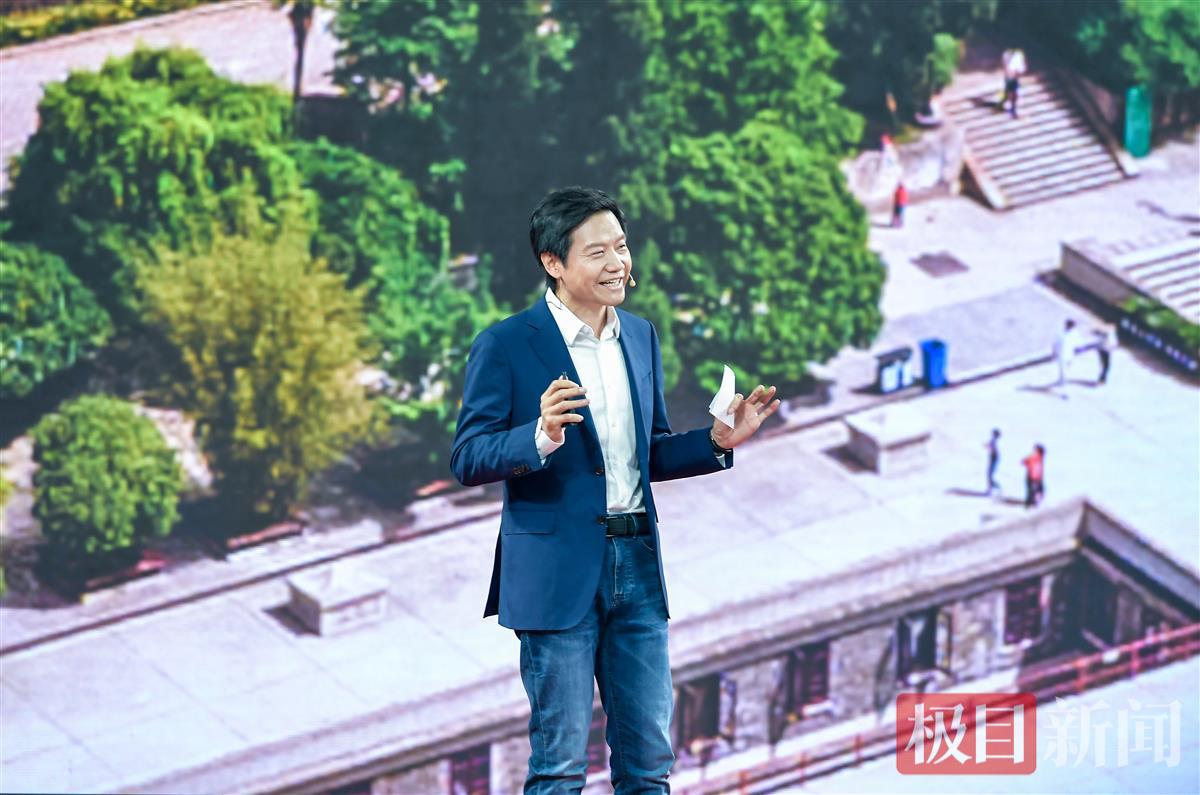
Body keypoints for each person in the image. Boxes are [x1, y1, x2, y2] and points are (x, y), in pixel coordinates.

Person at [450, 187, 780, 792]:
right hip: (556, 573)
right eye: (597, 252)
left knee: (649, 765)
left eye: (621, 247)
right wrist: (540, 436)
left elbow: (649, 452)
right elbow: (468, 457)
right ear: (553, 262)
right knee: (559, 770)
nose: (617, 264)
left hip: (638, 565)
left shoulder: (640, 335)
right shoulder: (507, 344)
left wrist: (716, 441)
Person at [1053, 319, 1080, 388]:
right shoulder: (1061, 333)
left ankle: (1062, 381)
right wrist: (1054, 352)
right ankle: (1063, 385)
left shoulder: (1074, 333)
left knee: (1066, 370)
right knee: (1063, 371)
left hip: (1069, 355)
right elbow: (1055, 344)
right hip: (1063, 354)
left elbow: (1078, 343)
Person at [1001, 48, 1026, 118]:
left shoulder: (1018, 55)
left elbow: (1021, 68)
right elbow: (1006, 67)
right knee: (1012, 93)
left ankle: (1011, 108)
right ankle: (1011, 108)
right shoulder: (1008, 55)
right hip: (1010, 78)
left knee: (1013, 93)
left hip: (1013, 78)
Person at [1021, 443, 1045, 508]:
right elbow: (1025, 462)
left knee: (1033, 491)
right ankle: (1029, 504)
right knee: (1034, 491)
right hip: (1034, 477)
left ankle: (1030, 504)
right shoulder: (1037, 457)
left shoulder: (1036, 457)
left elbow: (1024, 462)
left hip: (1033, 477)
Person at [985, 428, 1001, 497]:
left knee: (989, 475)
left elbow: (994, 449)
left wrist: (988, 446)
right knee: (990, 475)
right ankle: (991, 489)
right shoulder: (993, 441)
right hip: (994, 458)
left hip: (994, 458)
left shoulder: (993, 441)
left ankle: (995, 489)